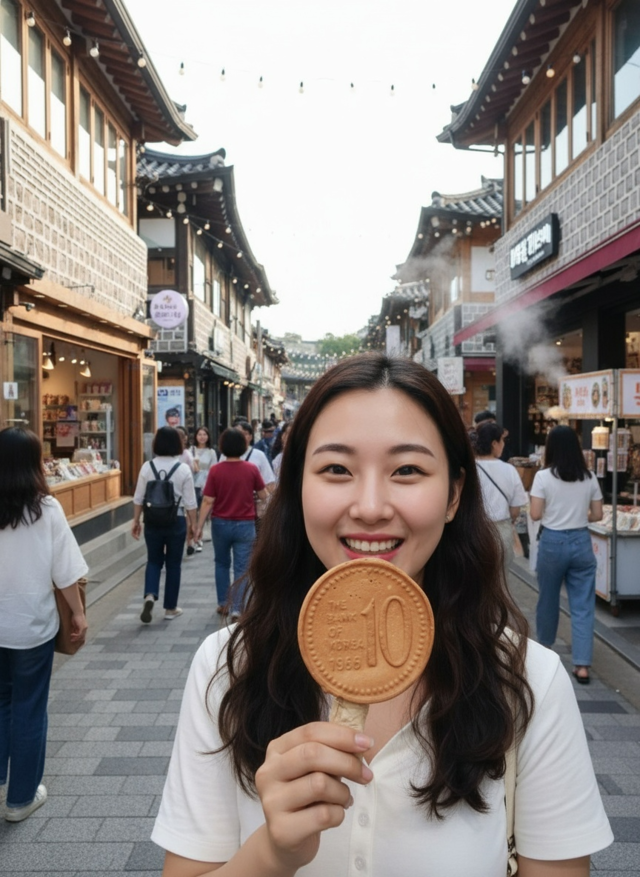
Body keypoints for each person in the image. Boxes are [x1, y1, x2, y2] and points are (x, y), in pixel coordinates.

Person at [152, 354, 612, 876]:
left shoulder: (529, 680)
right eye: (336, 470)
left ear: (455, 494)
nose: (370, 506)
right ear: (297, 486)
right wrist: (271, 855)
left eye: (408, 470)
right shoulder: (226, 668)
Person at [0, 427, 88, 822]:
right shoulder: (45, 509)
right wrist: (79, 614)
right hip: (32, 626)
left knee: (1, 703)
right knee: (29, 707)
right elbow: (65, 572)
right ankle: (20, 800)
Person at [529, 425, 603, 685]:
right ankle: (582, 665)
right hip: (581, 541)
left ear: (550, 447)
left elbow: (536, 514)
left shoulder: (543, 476)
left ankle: (546, 653)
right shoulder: (589, 476)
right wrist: (580, 514)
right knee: (583, 606)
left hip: (553, 541)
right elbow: (598, 515)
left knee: (547, 601)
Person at [194, 428, 267, 620]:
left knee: (221, 563)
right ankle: (238, 608)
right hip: (245, 524)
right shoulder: (251, 469)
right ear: (243, 446)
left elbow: (208, 500)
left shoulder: (216, 470)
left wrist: (198, 527)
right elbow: (264, 495)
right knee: (242, 567)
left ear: (222, 447)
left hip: (220, 523)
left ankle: (223, 603)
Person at [132, 426, 198, 623]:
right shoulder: (183, 468)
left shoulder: (147, 467)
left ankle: (150, 594)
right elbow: (190, 503)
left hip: (152, 520)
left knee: (153, 560)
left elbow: (138, 498)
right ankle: (170, 608)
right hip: (176, 521)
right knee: (173, 565)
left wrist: (136, 521)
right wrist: (193, 526)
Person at [473, 420, 527, 577]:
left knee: (475, 579)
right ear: (494, 443)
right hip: (501, 530)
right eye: (502, 440)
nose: (503, 444)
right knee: (500, 579)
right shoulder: (509, 470)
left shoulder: (469, 468)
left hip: (473, 530)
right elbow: (515, 509)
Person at [191, 426, 217, 552]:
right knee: (193, 511)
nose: (202, 437)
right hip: (191, 483)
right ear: (195, 436)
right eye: (199, 434)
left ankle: (201, 535)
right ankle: (193, 536)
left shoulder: (211, 451)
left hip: (206, 483)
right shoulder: (191, 450)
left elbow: (214, 469)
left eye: (204, 434)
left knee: (204, 511)